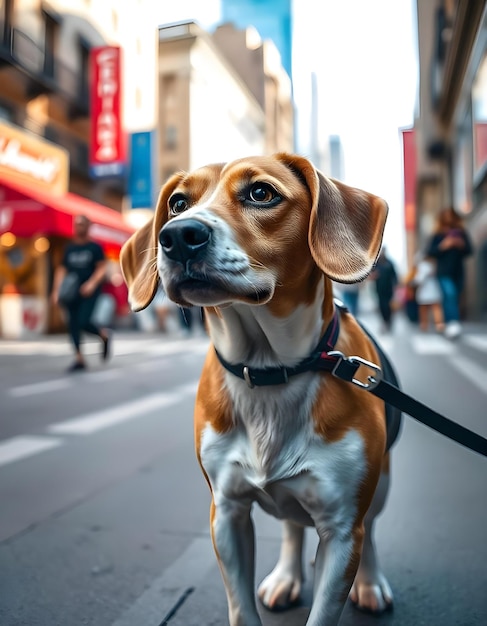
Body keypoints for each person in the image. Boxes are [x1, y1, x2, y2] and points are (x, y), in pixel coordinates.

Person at [52, 215, 111, 372]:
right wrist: (56, 290)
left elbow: (101, 267)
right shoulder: (69, 248)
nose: (78, 227)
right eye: (76, 224)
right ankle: (79, 358)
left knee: (83, 321)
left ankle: (103, 335)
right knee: (73, 324)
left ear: (88, 226)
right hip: (71, 291)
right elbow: (62, 269)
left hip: (89, 292)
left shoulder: (94, 248)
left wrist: (91, 284)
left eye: (81, 224)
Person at [426, 207, 473, 338]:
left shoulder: (461, 232)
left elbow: (470, 250)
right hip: (443, 272)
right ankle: (453, 323)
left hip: (458, 271)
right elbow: (429, 252)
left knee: (454, 296)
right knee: (449, 295)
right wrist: (444, 245)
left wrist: (460, 244)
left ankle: (450, 323)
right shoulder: (438, 235)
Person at [412, 253, 445, 333]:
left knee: (424, 309)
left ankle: (424, 324)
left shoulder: (423, 266)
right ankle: (439, 324)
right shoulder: (431, 266)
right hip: (433, 290)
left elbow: (420, 279)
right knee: (436, 308)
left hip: (425, 291)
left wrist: (413, 282)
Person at [370, 247, 398, 332]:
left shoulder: (390, 263)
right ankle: (384, 321)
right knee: (381, 306)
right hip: (379, 288)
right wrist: (374, 275)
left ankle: (388, 320)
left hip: (389, 289)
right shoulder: (376, 263)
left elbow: (394, 276)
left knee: (388, 306)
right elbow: (371, 275)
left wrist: (396, 286)